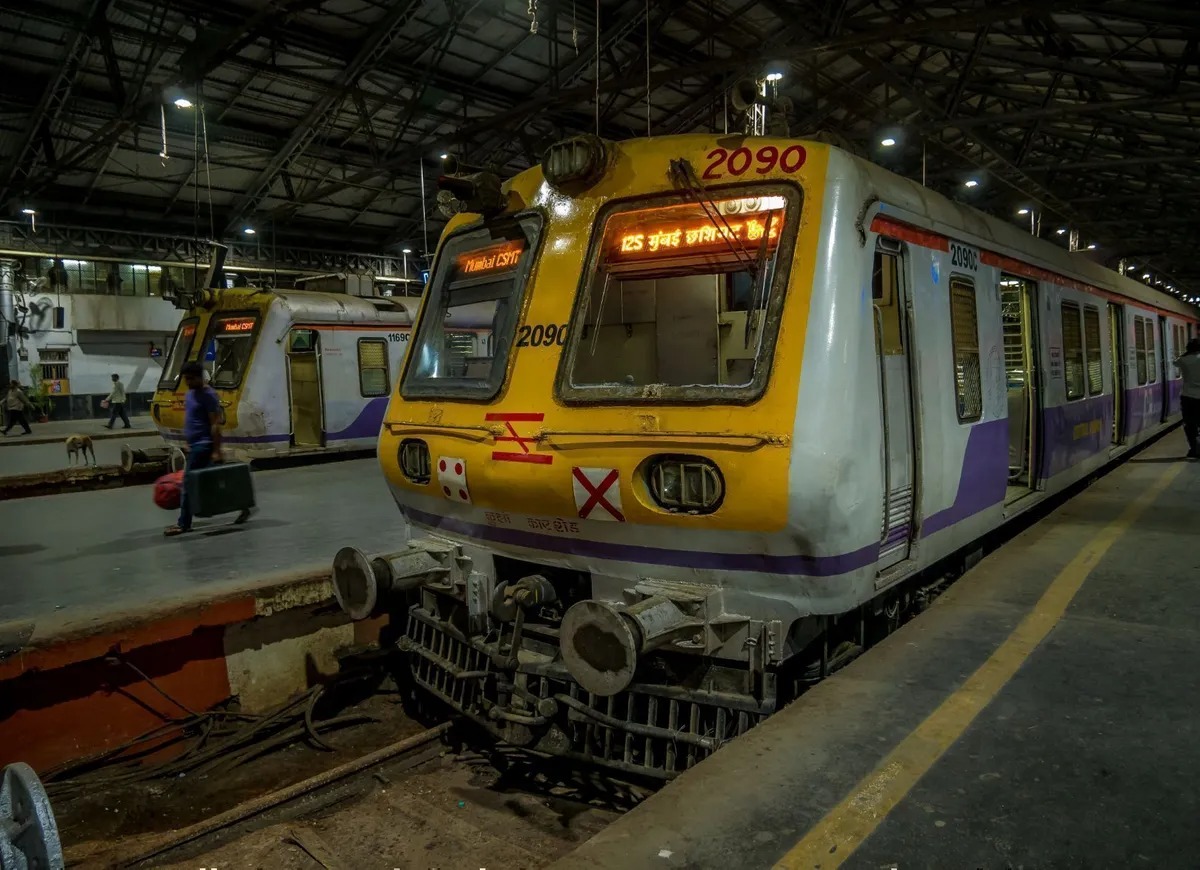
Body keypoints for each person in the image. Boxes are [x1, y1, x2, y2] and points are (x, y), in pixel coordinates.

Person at [164, 361, 222, 536]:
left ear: (200, 377)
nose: (188, 382)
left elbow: (216, 424)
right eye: (185, 379)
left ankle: (183, 524)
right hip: (194, 445)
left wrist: (216, 450)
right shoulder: (190, 394)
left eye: (190, 379)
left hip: (203, 445)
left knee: (188, 485)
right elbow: (192, 419)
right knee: (209, 484)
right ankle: (242, 504)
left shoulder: (209, 395)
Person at [1177, 336, 1200, 460]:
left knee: (1190, 424)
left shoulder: (1183, 360)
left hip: (1188, 397)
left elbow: (1175, 362)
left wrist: (1186, 354)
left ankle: (1194, 449)